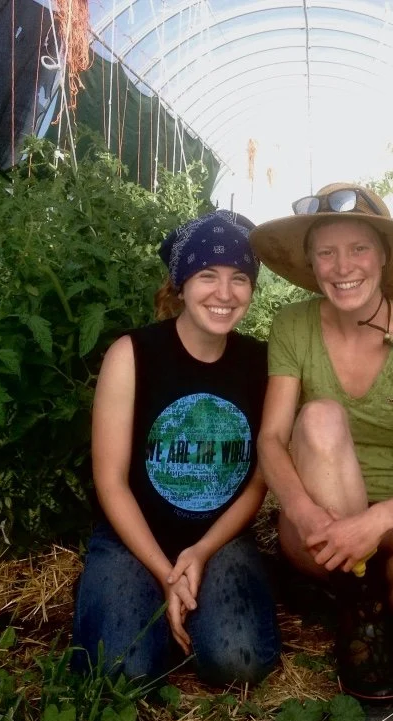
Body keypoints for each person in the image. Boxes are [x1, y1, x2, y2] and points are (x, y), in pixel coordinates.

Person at [250, 183, 393, 705]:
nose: (341, 265)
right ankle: (365, 616)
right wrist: (303, 510)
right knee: (321, 416)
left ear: (383, 258)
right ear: (310, 263)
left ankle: (352, 604)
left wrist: (374, 522)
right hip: (318, 529)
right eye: (325, 252)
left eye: (358, 249)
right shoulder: (293, 326)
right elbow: (271, 437)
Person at [72, 210, 280, 686]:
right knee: (118, 674)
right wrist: (168, 573)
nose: (224, 294)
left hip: (220, 538)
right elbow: (111, 481)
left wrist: (202, 552)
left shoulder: (261, 363)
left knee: (238, 664)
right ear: (181, 283)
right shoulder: (133, 354)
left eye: (239, 279)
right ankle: (145, 605)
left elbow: (258, 481)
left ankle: (185, 620)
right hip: (133, 533)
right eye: (208, 275)